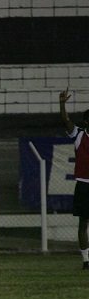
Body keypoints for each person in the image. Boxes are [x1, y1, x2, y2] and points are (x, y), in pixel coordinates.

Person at [58, 88, 89, 270]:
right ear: (86, 122)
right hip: (84, 185)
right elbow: (66, 121)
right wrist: (62, 104)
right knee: (83, 222)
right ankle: (86, 260)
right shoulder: (79, 135)